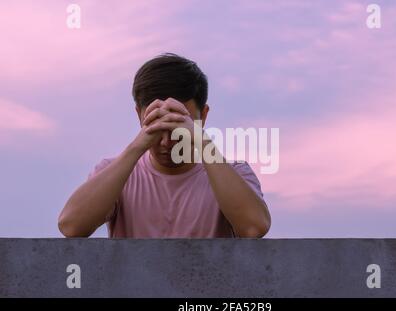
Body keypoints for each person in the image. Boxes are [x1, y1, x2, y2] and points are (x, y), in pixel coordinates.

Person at [58, 53, 271, 238]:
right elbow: (71, 226)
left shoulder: (234, 174)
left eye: (179, 126)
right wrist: (136, 148)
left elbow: (254, 227)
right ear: (139, 115)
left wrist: (204, 143)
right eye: (156, 124)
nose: (167, 142)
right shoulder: (115, 174)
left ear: (203, 116)